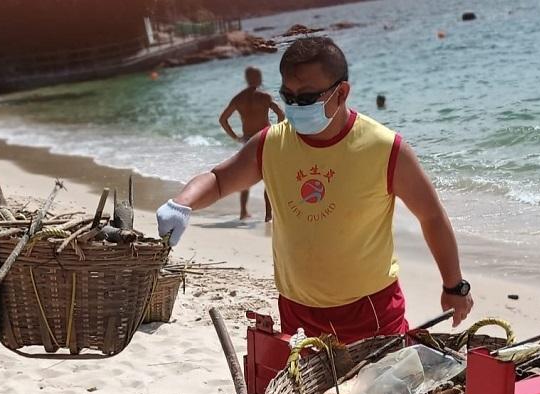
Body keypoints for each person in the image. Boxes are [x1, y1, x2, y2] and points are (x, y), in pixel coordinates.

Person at [158, 37, 472, 342]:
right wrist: (181, 204)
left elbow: (431, 215)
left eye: (307, 98)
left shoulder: (385, 148)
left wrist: (454, 285)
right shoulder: (272, 144)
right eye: (288, 97)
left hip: (369, 310)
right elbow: (219, 180)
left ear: (341, 92)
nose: (295, 107)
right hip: (297, 311)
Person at [217, 66, 284, 222]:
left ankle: (243, 212)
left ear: (247, 79)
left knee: (246, 177)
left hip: (248, 141)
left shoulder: (238, 98)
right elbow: (281, 114)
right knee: (267, 176)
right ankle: (268, 215)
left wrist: (235, 137)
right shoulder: (264, 96)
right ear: (259, 78)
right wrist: (276, 131)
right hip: (265, 138)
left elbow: (223, 119)